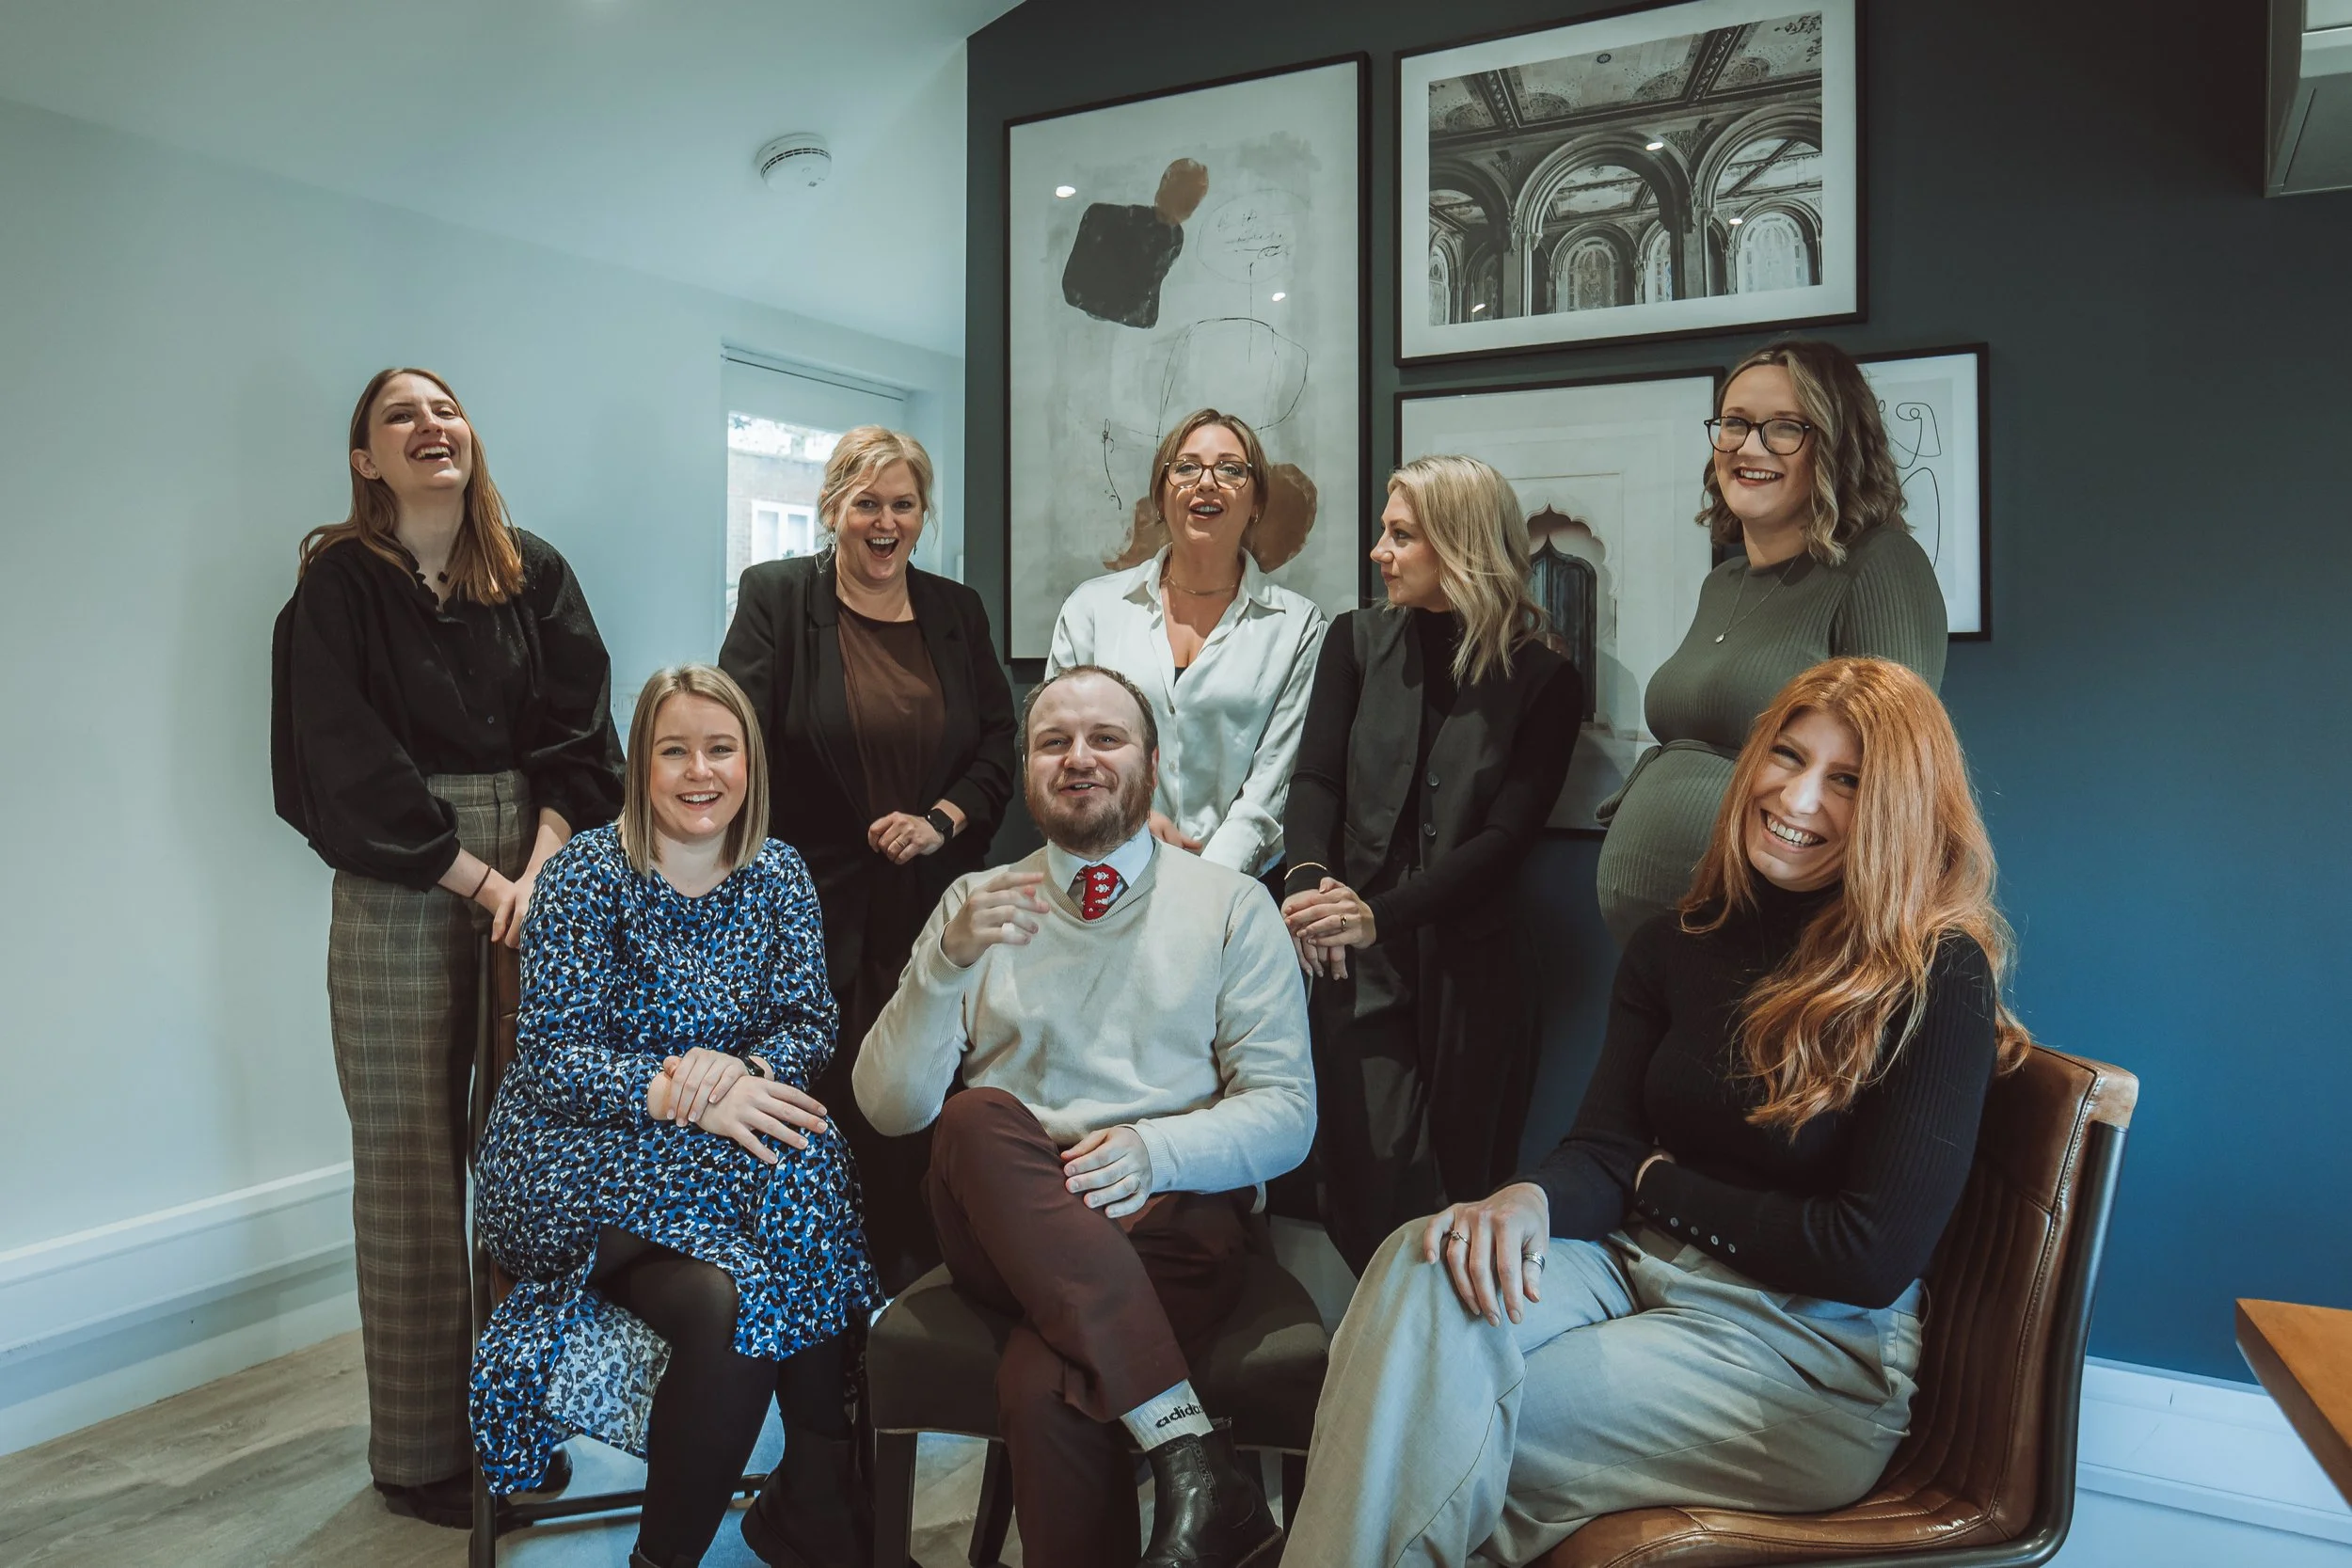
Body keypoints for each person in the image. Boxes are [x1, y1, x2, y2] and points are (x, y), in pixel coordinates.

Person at [1284, 657, 2031, 1567]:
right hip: (1630, 1268)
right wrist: (1528, 1198)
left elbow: (1866, 1255)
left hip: (1799, 1352)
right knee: (1422, 1253)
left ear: (1898, 806)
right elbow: (1604, 1145)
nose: (1797, 797)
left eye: (1846, 779)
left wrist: (1655, 1181)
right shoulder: (1678, 941)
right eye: (1786, 756)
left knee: (1432, 1412)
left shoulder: (1934, 971)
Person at [854, 665, 1312, 1568]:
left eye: (1105, 738)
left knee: (1045, 1384)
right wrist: (944, 964)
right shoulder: (974, 905)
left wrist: (1154, 1148)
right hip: (1004, 1213)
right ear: (1027, 771)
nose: (1079, 758)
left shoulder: (1229, 905)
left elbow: (1288, 1114)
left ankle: (1184, 1460)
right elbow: (890, 1108)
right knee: (975, 1118)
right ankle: (1194, 1451)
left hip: (1170, 1215)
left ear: (1150, 759)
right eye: (1053, 741)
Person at [270, 366, 624, 1525]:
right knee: (413, 1165)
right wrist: (473, 875)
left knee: (527, 1158)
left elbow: (581, 730)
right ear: (365, 460)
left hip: (542, 861)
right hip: (399, 880)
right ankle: (422, 1450)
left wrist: (539, 867)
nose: (432, 425)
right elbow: (342, 758)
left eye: (446, 407)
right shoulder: (338, 589)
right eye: (399, 416)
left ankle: (514, 1423)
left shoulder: (536, 572)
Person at [469, 665, 878, 1568]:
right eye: (675, 750)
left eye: (721, 748)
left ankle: (755, 1519)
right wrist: (678, 1090)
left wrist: (743, 1069)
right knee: (806, 1161)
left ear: (749, 762)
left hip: (707, 1178)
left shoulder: (777, 875)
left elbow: (807, 1021)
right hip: (569, 1164)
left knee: (734, 1295)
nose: (701, 771)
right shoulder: (584, 873)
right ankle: (821, 1490)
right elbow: (553, 1057)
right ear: (641, 767)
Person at [719, 425, 1015, 1291]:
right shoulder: (777, 596)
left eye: (903, 504)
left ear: (923, 513)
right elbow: (738, 738)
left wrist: (942, 818)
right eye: (867, 504)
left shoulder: (956, 612)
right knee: (823, 1124)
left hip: (931, 910)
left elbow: (999, 741)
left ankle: (913, 1323)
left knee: (921, 1114)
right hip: (811, 913)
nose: (885, 523)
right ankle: (826, 1347)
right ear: (833, 509)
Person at [1279, 455, 1581, 1274]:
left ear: (1460, 545)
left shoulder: (1546, 679)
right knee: (1367, 1180)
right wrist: (1306, 885)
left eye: (1401, 534)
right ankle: (1375, 1368)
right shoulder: (1354, 640)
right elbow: (1315, 781)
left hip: (1478, 974)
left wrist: (1383, 912)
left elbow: (1506, 840)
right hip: (1356, 961)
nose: (1380, 551)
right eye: (1387, 531)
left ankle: (1447, 1382)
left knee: (1466, 1197)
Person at [1595, 338, 1947, 946]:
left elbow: (1891, 785)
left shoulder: (1880, 565)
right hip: (1659, 954)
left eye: (1784, 428)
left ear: (1836, 444)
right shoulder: (1723, 582)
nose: (1748, 448)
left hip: (1776, 949)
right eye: (1734, 424)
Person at [1046, 407, 1327, 878]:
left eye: (1232, 469)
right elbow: (1057, 745)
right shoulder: (1091, 610)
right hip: (1104, 869)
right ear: (1161, 491)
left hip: (1239, 889)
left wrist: (1203, 889)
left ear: (1256, 500)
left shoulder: (1297, 626)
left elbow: (1273, 783)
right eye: (1187, 466)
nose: (1207, 482)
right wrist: (1131, 829)